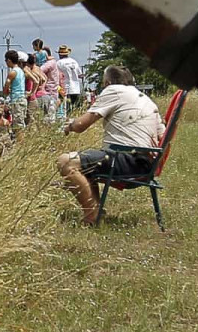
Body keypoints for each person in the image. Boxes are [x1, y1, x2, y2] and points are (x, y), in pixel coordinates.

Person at [57, 65, 166, 226]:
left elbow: (81, 125)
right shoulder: (145, 98)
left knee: (66, 161)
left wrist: (69, 126)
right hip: (146, 164)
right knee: (87, 162)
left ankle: (92, 215)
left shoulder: (113, 90)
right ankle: (96, 211)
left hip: (127, 160)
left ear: (107, 82)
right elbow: (161, 134)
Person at [54, 45, 85, 121]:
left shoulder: (59, 63)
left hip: (65, 88)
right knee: (74, 108)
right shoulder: (74, 62)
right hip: (75, 88)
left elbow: (57, 75)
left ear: (60, 54)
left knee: (65, 109)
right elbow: (79, 74)